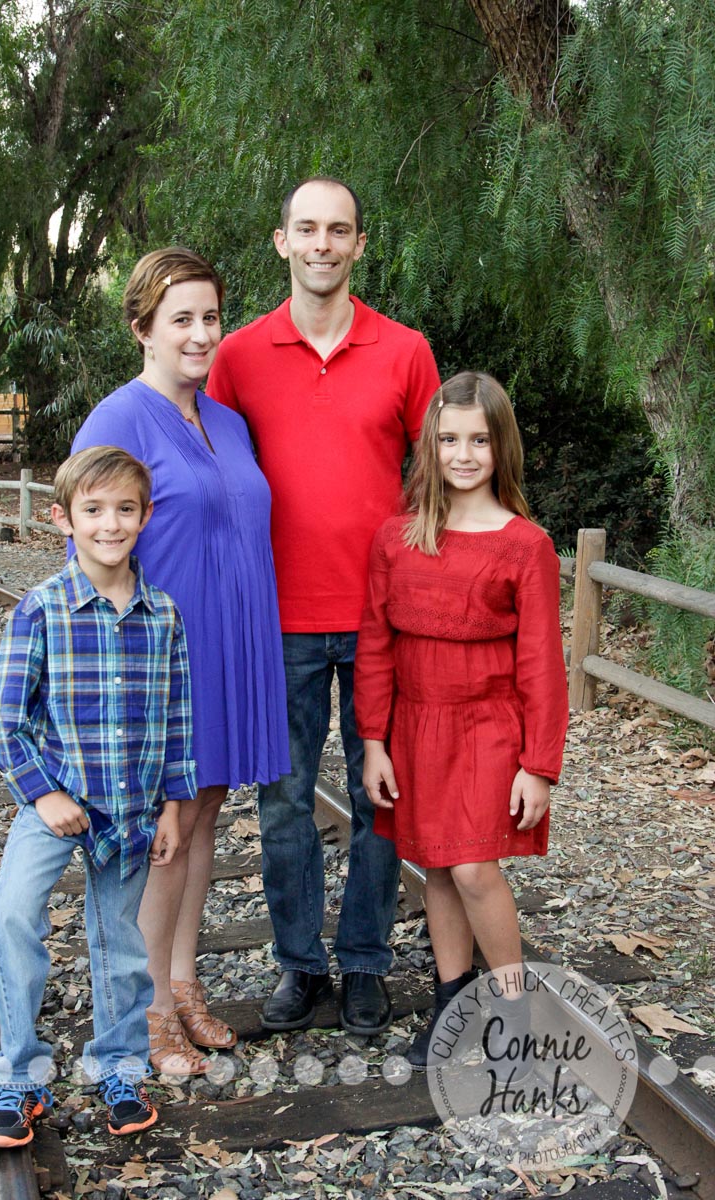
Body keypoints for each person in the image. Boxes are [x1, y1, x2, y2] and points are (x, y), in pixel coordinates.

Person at [207, 177, 441, 1035]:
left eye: (338, 231)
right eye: (306, 229)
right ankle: (301, 965)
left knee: (384, 799)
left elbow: (439, 476)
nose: (322, 244)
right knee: (282, 803)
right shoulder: (237, 356)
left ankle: (368, 963)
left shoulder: (406, 351)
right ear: (282, 241)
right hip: (277, 620)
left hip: (385, 619)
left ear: (359, 245)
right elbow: (214, 479)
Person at [71, 248, 289, 1075]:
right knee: (167, 828)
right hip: (165, 659)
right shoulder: (117, 421)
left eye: (211, 317)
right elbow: (90, 548)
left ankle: (182, 979)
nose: (201, 335)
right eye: (181, 320)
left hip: (232, 648)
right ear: (142, 329)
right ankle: (147, 1007)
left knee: (204, 815)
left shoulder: (227, 421)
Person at [0, 446, 195, 1147]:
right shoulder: (40, 610)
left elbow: (178, 720)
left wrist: (173, 806)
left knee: (118, 940)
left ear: (145, 516)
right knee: (13, 914)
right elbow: (5, 722)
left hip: (132, 810)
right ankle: (20, 1076)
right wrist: (43, 797)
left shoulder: (163, 615)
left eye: (125, 509)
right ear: (62, 519)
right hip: (58, 802)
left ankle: (119, 1068)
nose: (110, 524)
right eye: (93, 510)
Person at [354, 371, 569, 1066]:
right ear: (430, 446)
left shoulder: (525, 545)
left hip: (487, 726)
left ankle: (514, 1010)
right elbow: (375, 644)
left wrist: (539, 765)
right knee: (438, 868)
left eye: (479, 440)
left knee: (474, 867)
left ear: (501, 446)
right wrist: (374, 741)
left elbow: (543, 663)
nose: (464, 454)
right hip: (416, 726)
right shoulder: (396, 538)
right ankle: (453, 1005)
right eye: (449, 439)